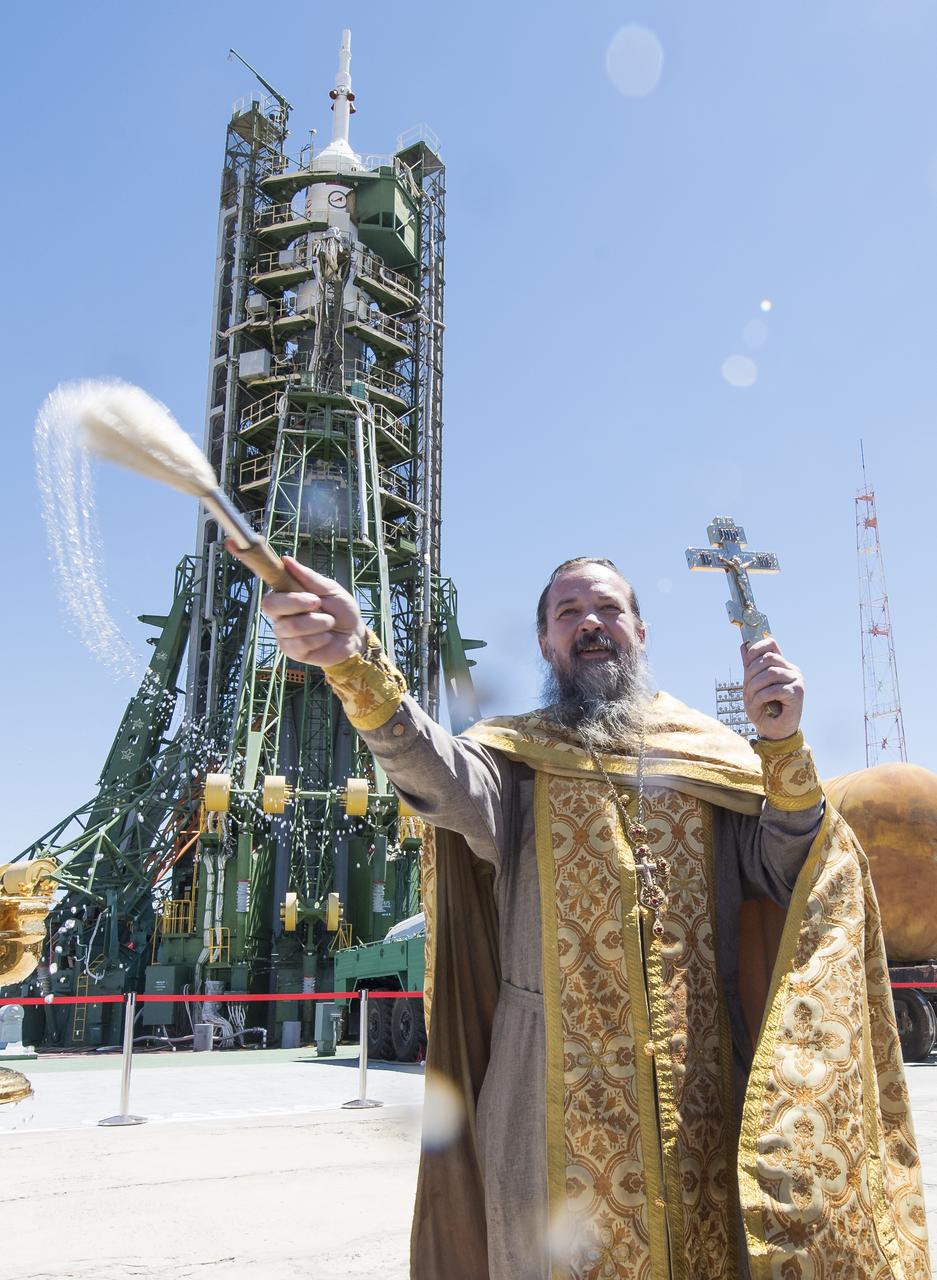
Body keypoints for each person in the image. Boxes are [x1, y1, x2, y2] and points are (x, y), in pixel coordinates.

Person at [258, 552, 930, 1280]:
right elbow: (438, 778)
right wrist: (357, 665)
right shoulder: (511, 761)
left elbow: (788, 872)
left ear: (640, 630)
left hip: (698, 1096)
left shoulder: (710, 756)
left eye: (606, 609)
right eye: (567, 613)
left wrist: (780, 747)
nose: (589, 625)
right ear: (546, 643)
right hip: (542, 1096)